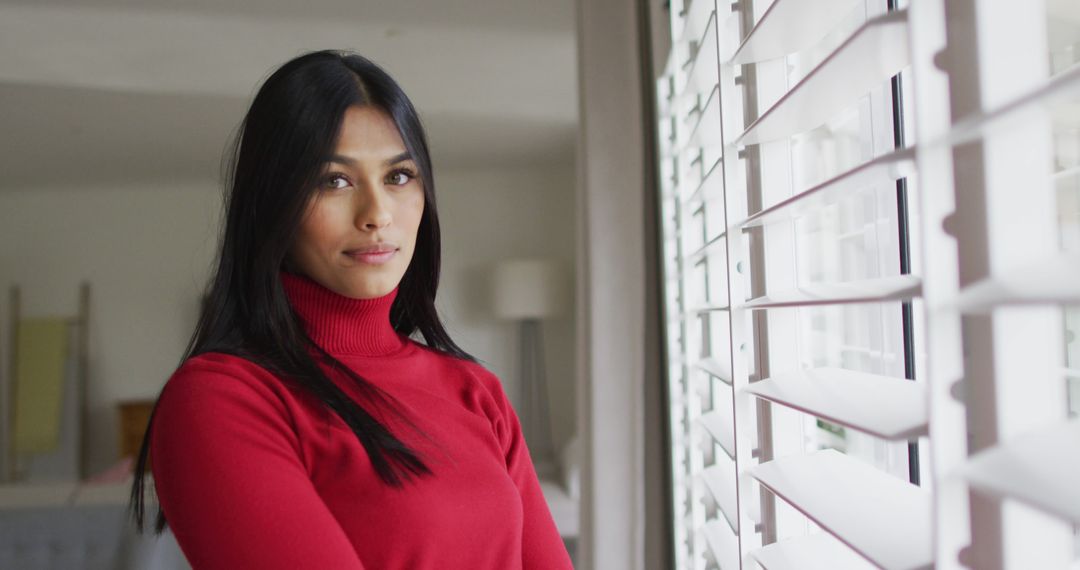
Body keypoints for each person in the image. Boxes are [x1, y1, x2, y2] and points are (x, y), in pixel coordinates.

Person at [128, 49, 574, 569]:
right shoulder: (222, 398)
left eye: (399, 176)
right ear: (273, 202)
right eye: (334, 180)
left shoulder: (476, 392)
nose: (377, 214)